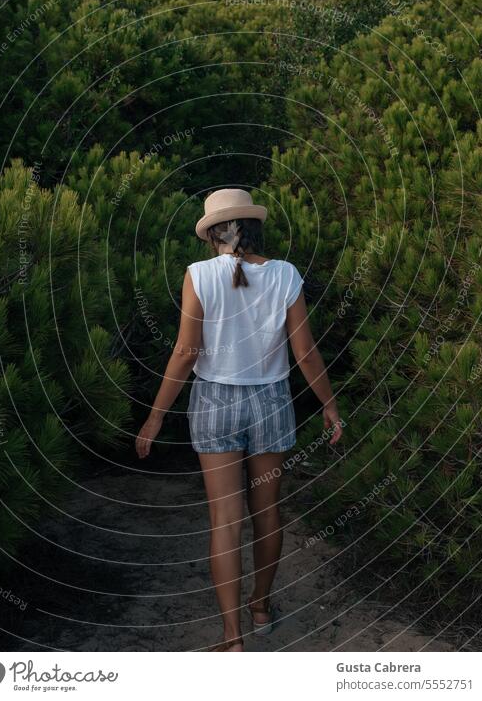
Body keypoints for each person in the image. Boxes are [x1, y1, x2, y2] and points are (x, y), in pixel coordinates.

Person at [136, 188, 342, 652]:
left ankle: (232, 640)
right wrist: (329, 404)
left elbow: (187, 354)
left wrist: (154, 418)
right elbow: (305, 353)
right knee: (267, 513)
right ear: (254, 228)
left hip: (215, 404)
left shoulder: (198, 276)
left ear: (211, 235)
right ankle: (261, 606)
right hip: (271, 401)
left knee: (225, 520)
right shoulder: (286, 274)